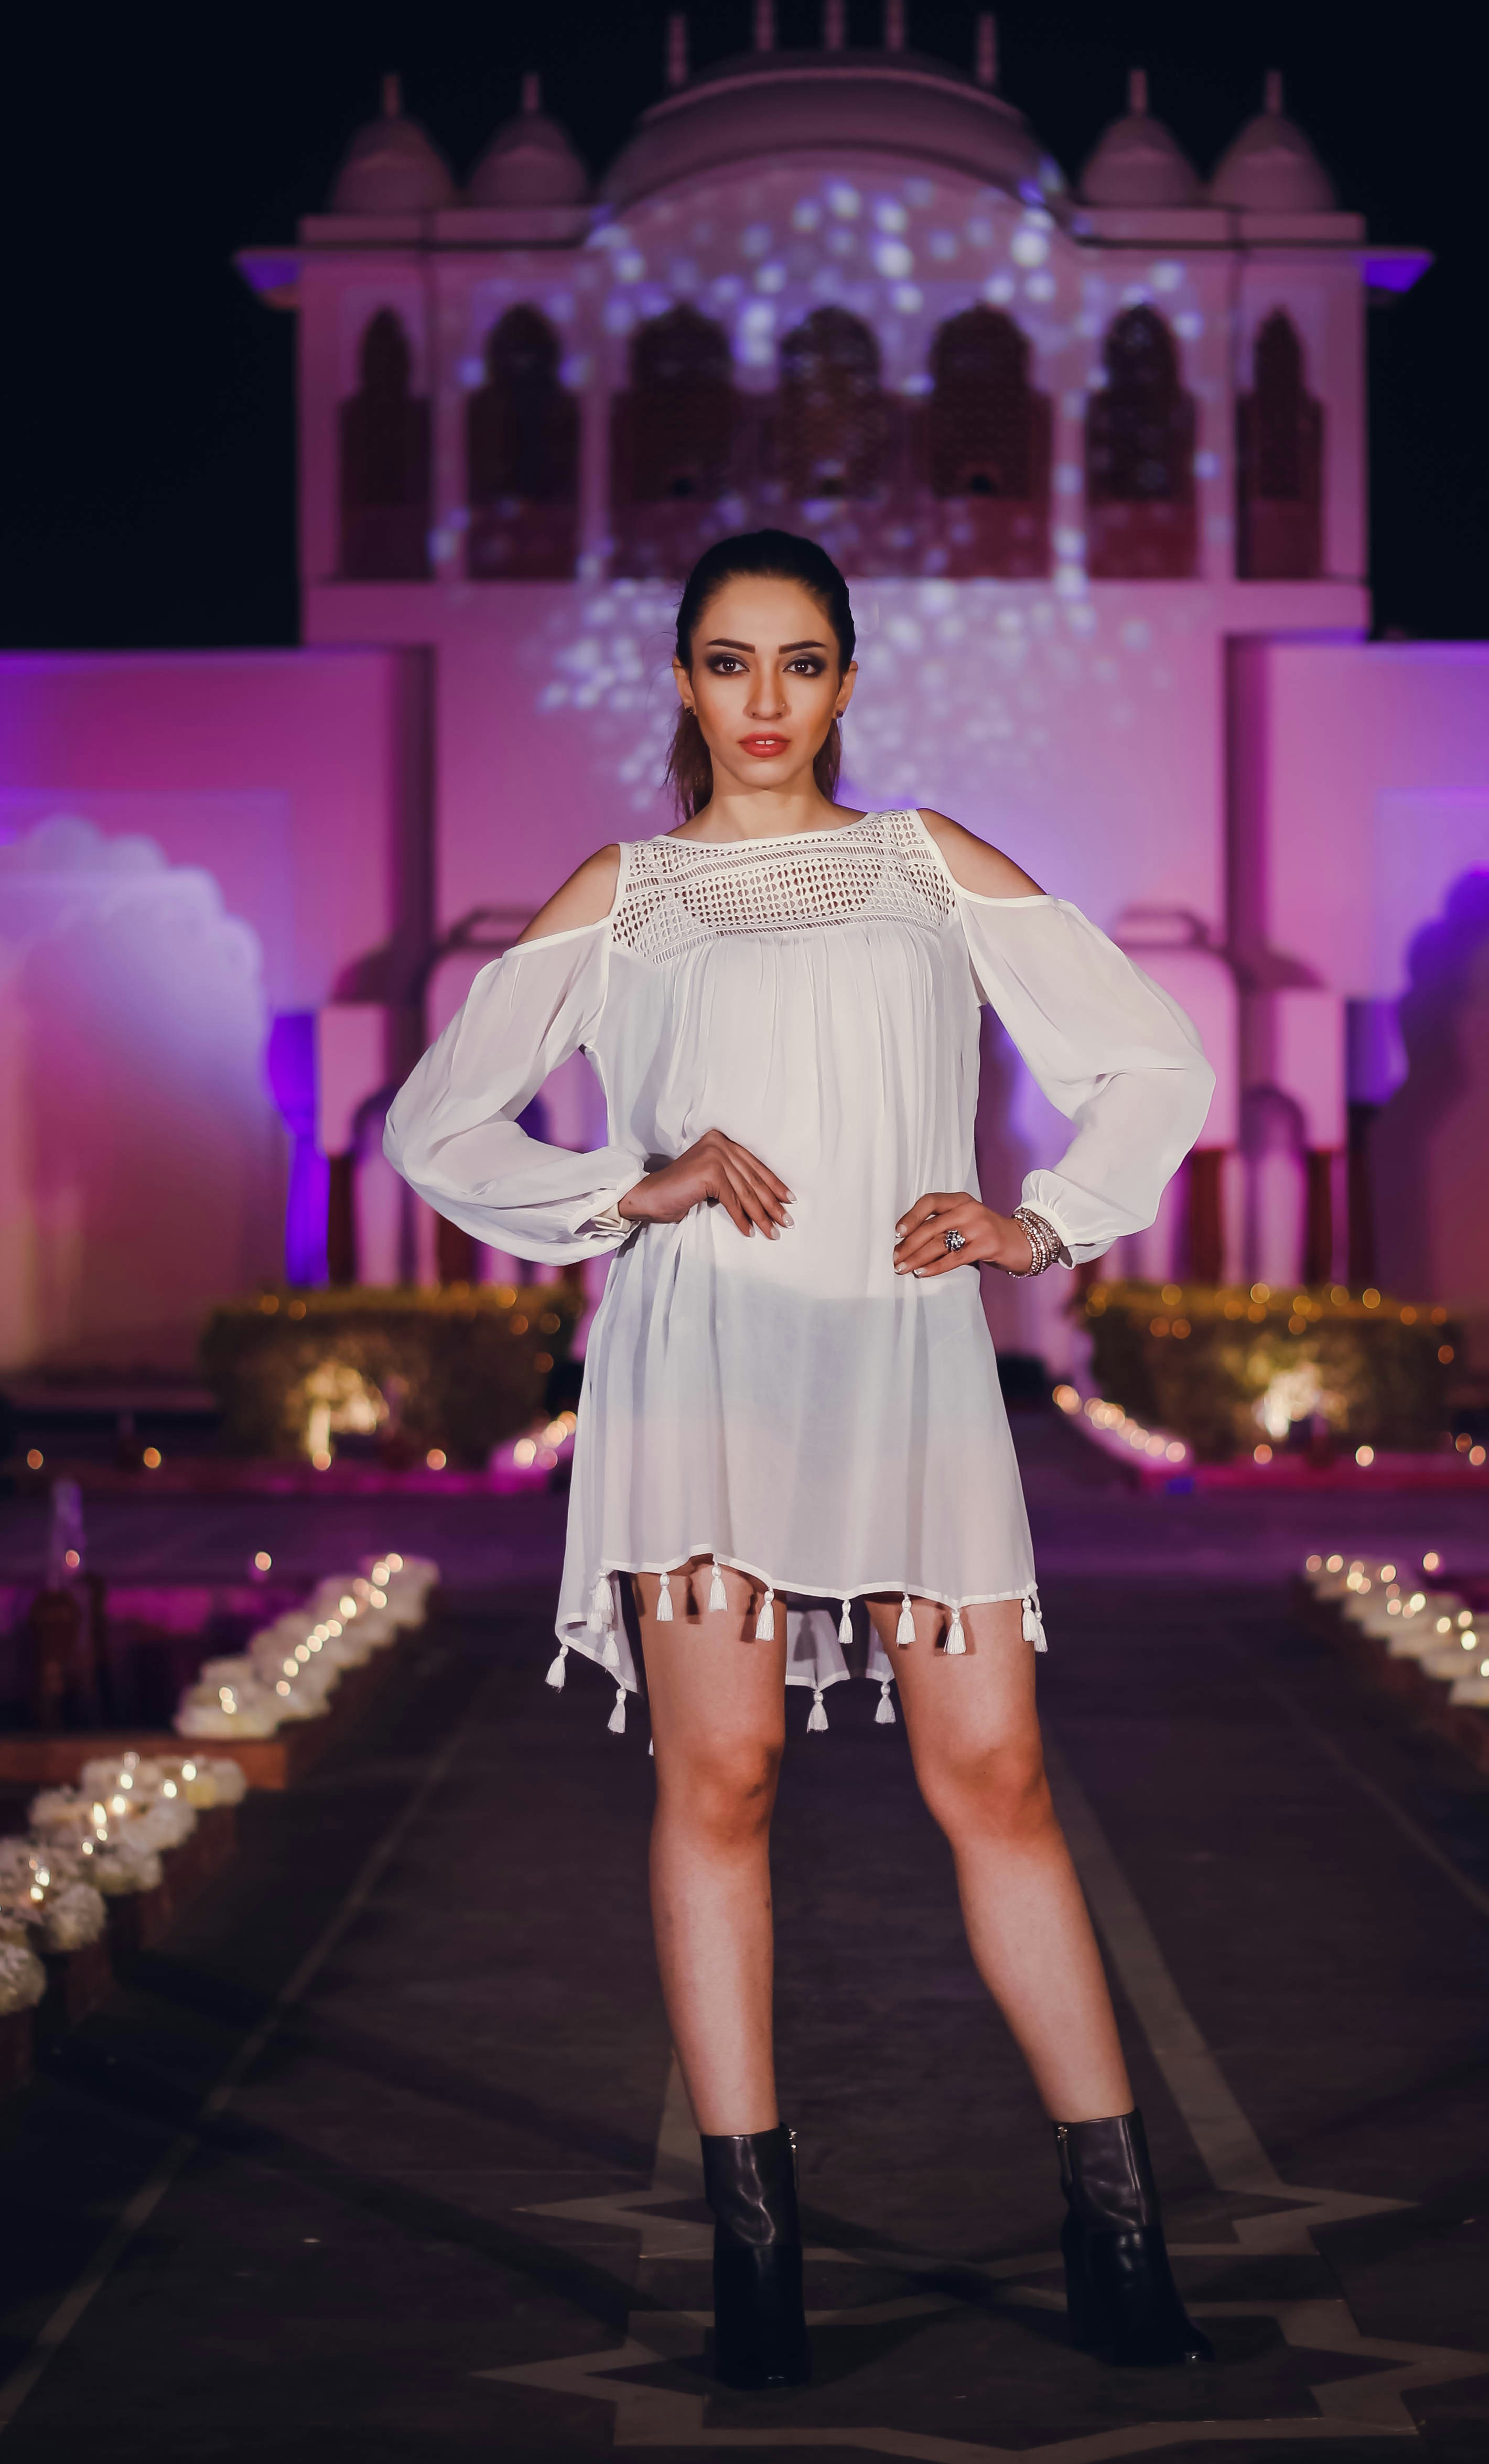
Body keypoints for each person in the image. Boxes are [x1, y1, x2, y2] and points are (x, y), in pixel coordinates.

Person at [385, 530, 1216, 2390]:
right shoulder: (628, 892)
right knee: (728, 1777)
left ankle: (1120, 2236)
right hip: (700, 1374)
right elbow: (437, 1118)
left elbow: (1151, 1059)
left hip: (906, 1368)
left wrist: (1047, 1221)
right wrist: (627, 1186)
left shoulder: (928, 861)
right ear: (679, 681)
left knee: (993, 1773)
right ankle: (756, 2264)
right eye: (730, 662)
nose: (767, 700)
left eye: (803, 662)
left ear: (848, 679)